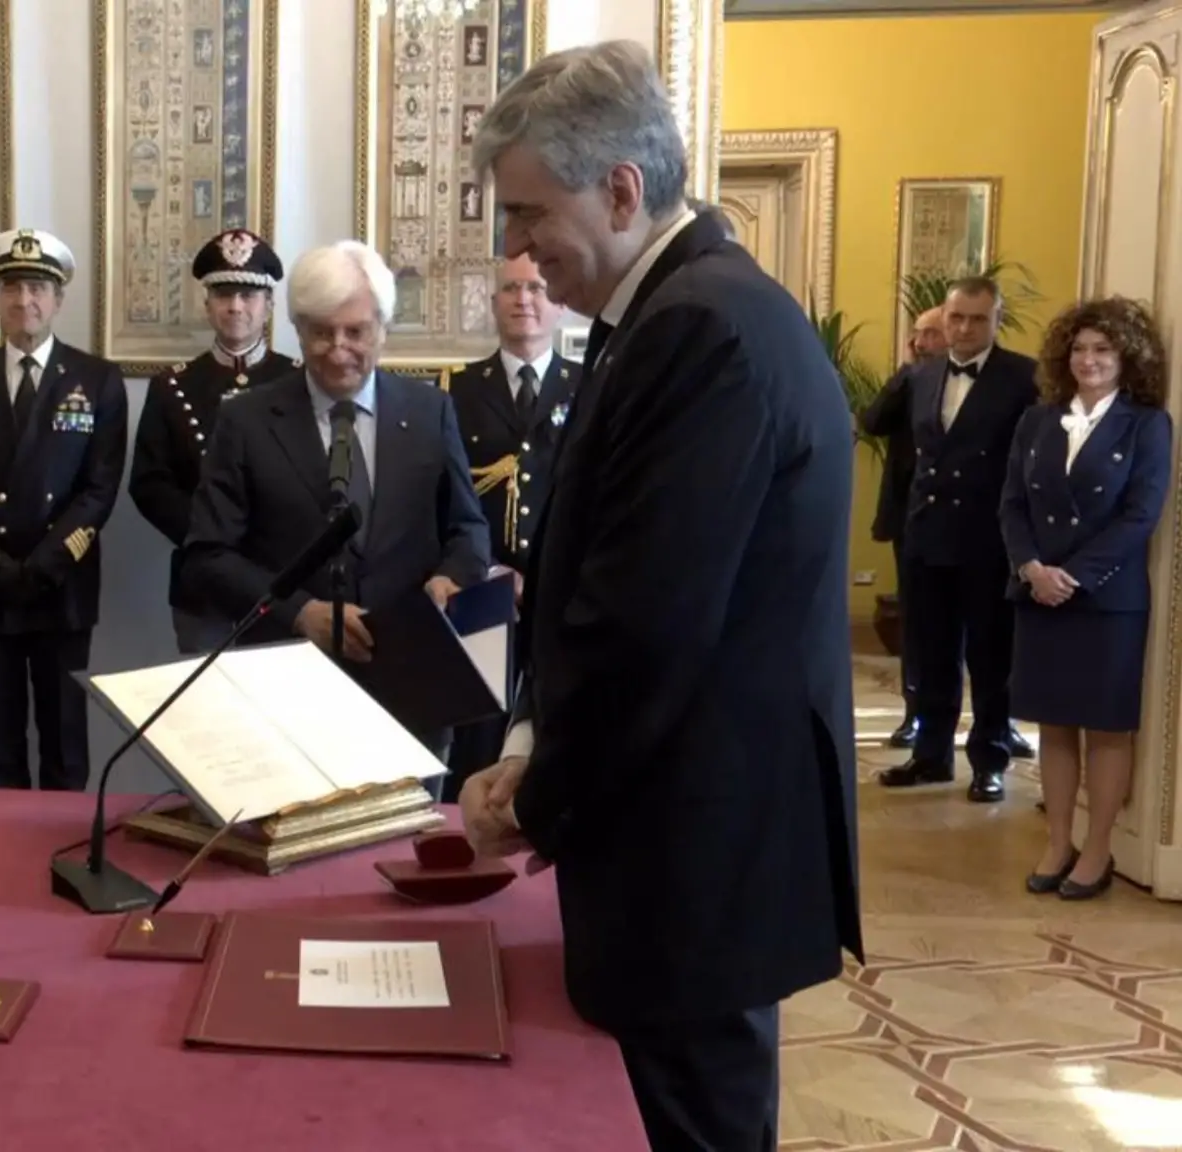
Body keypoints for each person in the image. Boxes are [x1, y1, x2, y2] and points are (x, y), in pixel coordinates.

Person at [456, 41, 862, 1150]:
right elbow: (597, 574)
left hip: (696, 852)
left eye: (529, 213)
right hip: (687, 835)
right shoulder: (682, 309)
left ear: (621, 191)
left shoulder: (697, 327)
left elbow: (645, 623)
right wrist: (533, 740)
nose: (516, 247)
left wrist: (534, 800)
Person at [180, 239, 491, 764]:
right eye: (321, 332)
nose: (338, 348)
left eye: (356, 332)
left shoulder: (430, 411)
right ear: (298, 330)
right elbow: (207, 555)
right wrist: (300, 613)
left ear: (383, 329)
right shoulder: (246, 420)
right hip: (289, 686)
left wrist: (453, 577)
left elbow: (468, 527)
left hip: (411, 683)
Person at [0, 228, 129, 791]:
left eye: (38, 288)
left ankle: (66, 844)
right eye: (12, 288)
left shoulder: (97, 379)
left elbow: (100, 488)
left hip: (61, 587)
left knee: (65, 746)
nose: (25, 301)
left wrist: (45, 563)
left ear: (58, 299)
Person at [1001, 297, 1172, 899]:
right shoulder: (1037, 420)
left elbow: (1140, 515)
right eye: (1079, 348)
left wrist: (1072, 576)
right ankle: (1058, 841)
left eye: (1102, 349)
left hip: (1106, 599)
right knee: (1053, 724)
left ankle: (1097, 849)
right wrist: (1031, 568)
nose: (1088, 359)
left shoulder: (1147, 425)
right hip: (1038, 593)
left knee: (1105, 728)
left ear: (1128, 358)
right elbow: (1012, 505)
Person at [868, 278, 1039, 802]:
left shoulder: (1024, 377)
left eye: (978, 319)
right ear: (942, 319)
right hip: (927, 536)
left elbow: (1032, 464)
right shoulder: (922, 374)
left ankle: (989, 760)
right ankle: (931, 757)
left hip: (989, 540)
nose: (965, 328)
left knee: (990, 658)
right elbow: (882, 428)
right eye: (956, 317)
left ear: (996, 321)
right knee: (932, 653)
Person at [435, 252, 575, 798]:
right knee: (478, 732)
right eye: (512, 289)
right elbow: (444, 498)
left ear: (558, 303)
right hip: (481, 587)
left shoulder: (591, 385)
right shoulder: (455, 390)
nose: (524, 300)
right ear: (493, 303)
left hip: (561, 592)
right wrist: (489, 568)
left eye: (536, 288)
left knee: (557, 723)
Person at [129, 228, 297, 653]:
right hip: (203, 588)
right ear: (207, 305)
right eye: (223, 295)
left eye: (248, 295)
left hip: (282, 583)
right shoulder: (172, 386)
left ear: (269, 305)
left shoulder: (297, 382)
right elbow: (150, 485)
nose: (235, 306)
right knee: (206, 696)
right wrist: (209, 537)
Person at [865, 306, 945, 748]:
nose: (921, 341)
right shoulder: (910, 380)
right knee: (915, 620)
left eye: (930, 333)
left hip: (972, 522)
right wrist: (906, 371)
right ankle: (915, 714)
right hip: (912, 518)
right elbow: (872, 421)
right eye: (917, 334)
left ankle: (995, 722)